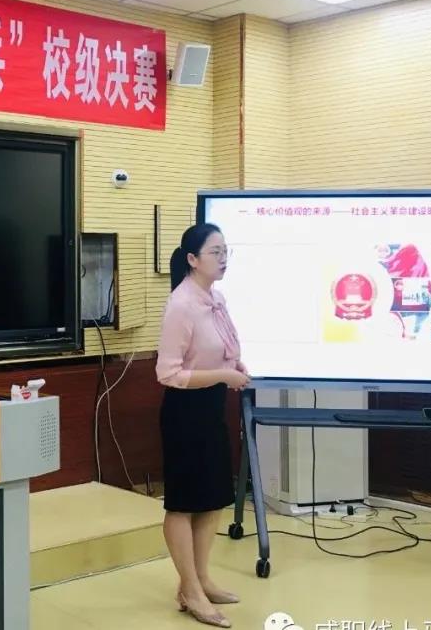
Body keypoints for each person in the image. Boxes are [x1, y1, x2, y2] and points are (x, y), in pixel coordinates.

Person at [156, 223, 251, 629]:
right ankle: (190, 590)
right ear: (193, 259)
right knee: (183, 503)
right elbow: (168, 373)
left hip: (211, 408)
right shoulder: (181, 304)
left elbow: (215, 350)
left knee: (212, 498)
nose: (223, 258)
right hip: (185, 412)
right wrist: (223, 375)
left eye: (226, 251)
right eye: (215, 252)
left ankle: (200, 579)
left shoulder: (216, 298)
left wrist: (234, 364)